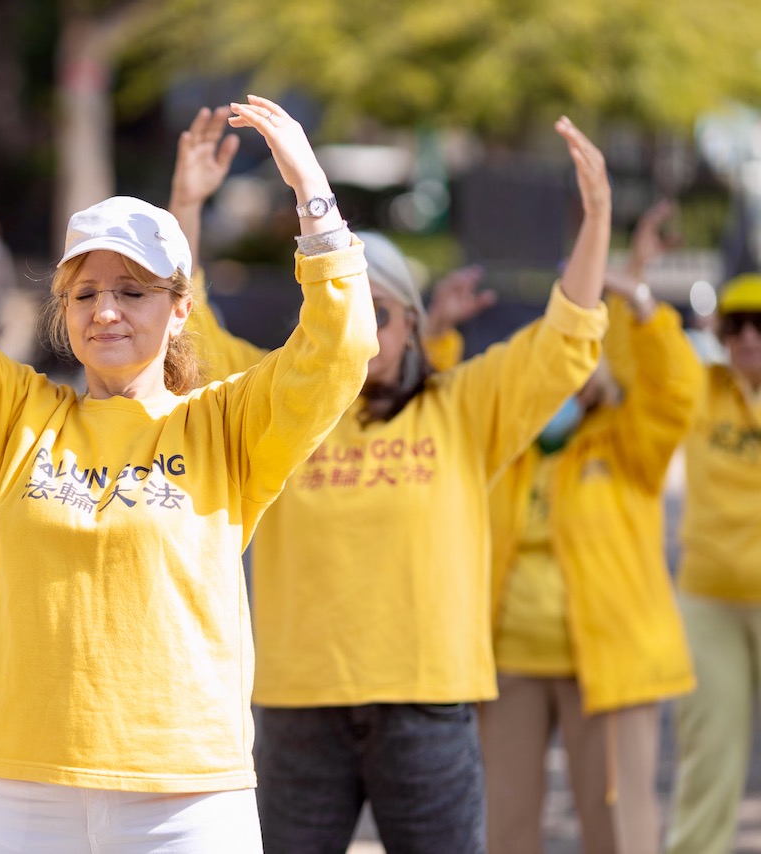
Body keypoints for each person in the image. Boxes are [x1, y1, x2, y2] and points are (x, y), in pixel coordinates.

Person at [0, 75, 378, 853]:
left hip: (185, 796)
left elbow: (339, 349)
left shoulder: (227, 425)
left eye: (133, 291)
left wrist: (312, 195)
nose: (106, 311)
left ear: (179, 311)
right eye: (86, 293)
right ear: (64, 314)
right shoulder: (17, 420)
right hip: (26, 785)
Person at [170, 106, 610, 852]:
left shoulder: (465, 406)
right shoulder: (274, 402)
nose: (360, 334)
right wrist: (187, 204)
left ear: (411, 323)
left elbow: (568, 337)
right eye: (340, 316)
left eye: (377, 314)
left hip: (427, 703)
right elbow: (190, 331)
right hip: (298, 706)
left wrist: (597, 215)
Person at [473, 200, 701, 854]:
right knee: (504, 828)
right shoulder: (506, 446)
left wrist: (639, 295)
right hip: (509, 665)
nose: (562, 391)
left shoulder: (627, 441)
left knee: (619, 831)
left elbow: (674, 389)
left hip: (609, 665)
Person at [666, 271, 761, 854]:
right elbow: (639, 356)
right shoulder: (699, 388)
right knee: (708, 758)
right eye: (735, 325)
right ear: (718, 332)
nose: (749, 337)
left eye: (760, 324)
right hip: (710, 600)